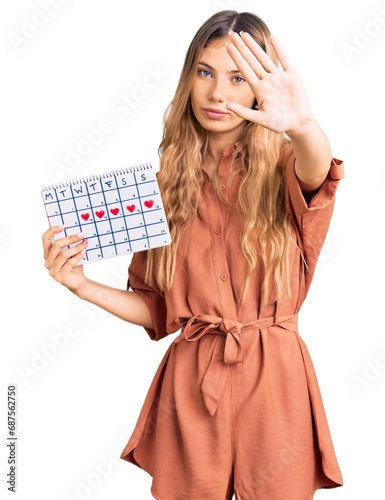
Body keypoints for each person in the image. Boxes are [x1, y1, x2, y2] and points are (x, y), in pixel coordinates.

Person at [42, 10, 345, 500]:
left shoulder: (287, 167)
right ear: (188, 79)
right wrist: (81, 285)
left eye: (238, 77)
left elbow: (317, 170)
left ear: (258, 89)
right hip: (192, 384)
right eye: (205, 73)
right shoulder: (159, 190)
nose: (218, 94)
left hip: (275, 385)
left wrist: (304, 126)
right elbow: (158, 309)